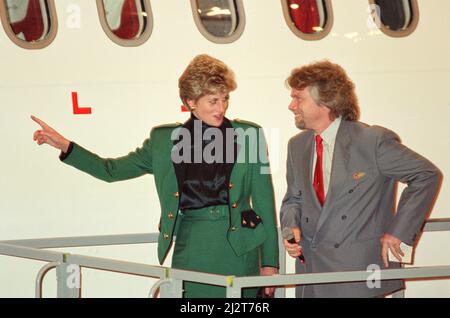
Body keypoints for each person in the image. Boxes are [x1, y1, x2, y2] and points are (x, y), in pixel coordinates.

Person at [32, 54, 279, 298]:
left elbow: (265, 204)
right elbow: (111, 170)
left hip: (241, 250)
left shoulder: (250, 135)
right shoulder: (163, 142)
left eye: (225, 99)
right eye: (213, 101)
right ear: (191, 101)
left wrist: (270, 263)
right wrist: (66, 146)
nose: (221, 108)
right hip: (192, 247)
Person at [280, 60, 442, 298]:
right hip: (311, 273)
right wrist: (290, 226)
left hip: (358, 273)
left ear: (325, 102)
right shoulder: (297, 146)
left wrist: (398, 232)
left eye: (298, 98)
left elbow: (426, 175)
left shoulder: (371, 141)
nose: (291, 105)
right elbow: (293, 198)